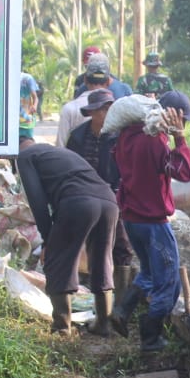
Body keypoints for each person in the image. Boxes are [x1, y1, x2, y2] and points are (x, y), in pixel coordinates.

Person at [108, 97, 190, 351]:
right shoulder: (153, 141)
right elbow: (182, 172)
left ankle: (123, 310)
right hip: (153, 223)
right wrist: (180, 139)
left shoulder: (126, 137)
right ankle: (151, 337)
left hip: (132, 218)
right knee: (168, 282)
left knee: (147, 271)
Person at [17, 133, 119, 336]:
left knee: (58, 259)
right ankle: (103, 323)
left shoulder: (24, 157)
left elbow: (37, 202)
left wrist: (48, 239)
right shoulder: (58, 152)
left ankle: (62, 327)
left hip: (78, 202)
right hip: (109, 201)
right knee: (102, 259)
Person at [64, 88, 139, 298]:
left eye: (109, 108)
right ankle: (87, 289)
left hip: (115, 194)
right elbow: (70, 166)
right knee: (85, 241)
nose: (106, 114)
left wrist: (120, 191)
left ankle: (120, 299)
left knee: (122, 244)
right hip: (84, 195)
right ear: (93, 113)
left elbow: (127, 168)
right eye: (102, 109)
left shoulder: (119, 136)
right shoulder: (78, 136)